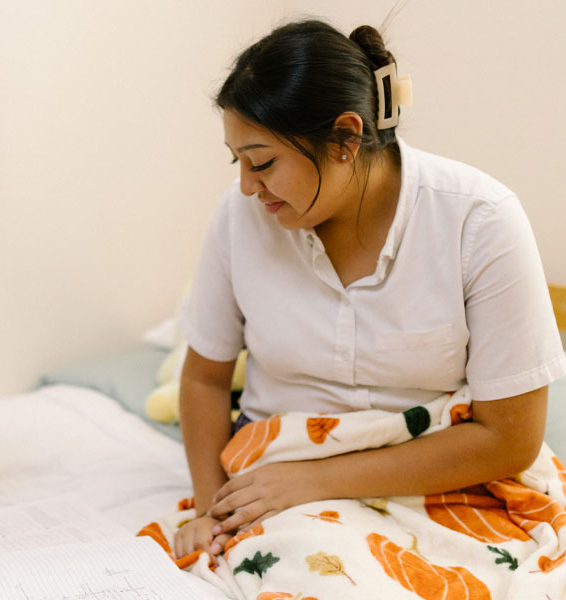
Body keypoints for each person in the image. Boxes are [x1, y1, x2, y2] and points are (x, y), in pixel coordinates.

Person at [173, 20, 566, 560]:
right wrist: (208, 506)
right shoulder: (240, 218)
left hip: (441, 478)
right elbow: (204, 378)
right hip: (273, 479)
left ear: (345, 138)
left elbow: (511, 439)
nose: (246, 185)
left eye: (262, 162)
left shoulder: (480, 221)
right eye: (236, 160)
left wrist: (316, 480)